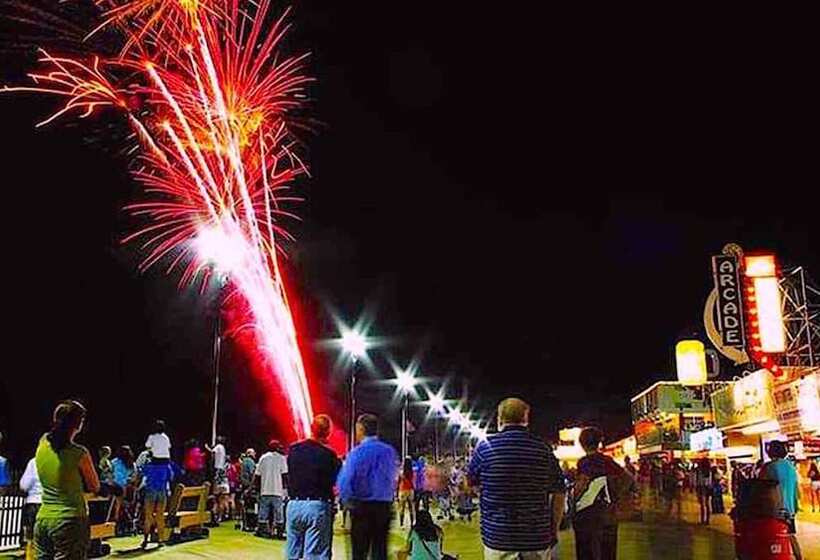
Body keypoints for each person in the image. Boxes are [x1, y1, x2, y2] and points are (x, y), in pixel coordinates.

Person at [468, 397, 566, 560]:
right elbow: (559, 492)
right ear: (526, 419)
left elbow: (471, 483)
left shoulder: (484, 448)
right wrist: (554, 529)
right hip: (536, 538)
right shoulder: (543, 449)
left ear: (499, 419)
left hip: (498, 538)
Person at [33, 400, 101, 559]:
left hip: (43, 519)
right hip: (70, 520)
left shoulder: (43, 442)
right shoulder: (79, 453)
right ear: (79, 424)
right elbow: (95, 486)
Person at [337, 413, 399, 560]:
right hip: (383, 507)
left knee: (359, 553)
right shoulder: (389, 451)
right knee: (380, 552)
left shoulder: (357, 452)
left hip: (362, 508)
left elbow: (345, 480)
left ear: (361, 429)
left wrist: (346, 501)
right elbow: (394, 477)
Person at [286, 414, 341, 560]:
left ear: (311, 428)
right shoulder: (329, 454)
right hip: (318, 505)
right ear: (328, 432)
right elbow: (335, 481)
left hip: (294, 505)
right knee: (316, 554)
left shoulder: (293, 450)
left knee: (292, 553)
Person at [572, 426, 632, 560]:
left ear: (582, 443)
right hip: (608, 514)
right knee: (608, 551)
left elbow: (582, 485)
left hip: (587, 515)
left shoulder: (584, 462)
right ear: (599, 442)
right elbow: (628, 479)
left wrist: (572, 501)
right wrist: (616, 495)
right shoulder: (608, 461)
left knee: (587, 552)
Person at [760, 440, 802, 560]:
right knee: (790, 535)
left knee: (773, 537)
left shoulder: (769, 467)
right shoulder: (791, 467)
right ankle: (799, 557)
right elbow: (796, 490)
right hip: (789, 509)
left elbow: (761, 487)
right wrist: (794, 507)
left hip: (774, 509)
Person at [255, 438, 289, 538]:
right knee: (279, 513)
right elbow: (285, 475)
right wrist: (286, 488)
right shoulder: (281, 458)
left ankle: (262, 531)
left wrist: (257, 488)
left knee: (263, 512)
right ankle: (279, 532)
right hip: (277, 490)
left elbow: (257, 475)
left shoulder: (263, 458)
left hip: (265, 490)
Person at [140, 459, 174, 549]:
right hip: (162, 491)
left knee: (148, 516)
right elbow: (171, 477)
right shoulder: (166, 466)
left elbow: (142, 475)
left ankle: (145, 540)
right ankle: (160, 540)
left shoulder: (149, 466)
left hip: (150, 490)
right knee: (160, 516)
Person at [20, 455, 43, 559]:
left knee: (31, 538)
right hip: (53, 503)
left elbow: (24, 485)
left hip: (34, 502)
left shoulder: (34, 462)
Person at [207, 436, 230, 522]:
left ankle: (216, 516)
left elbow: (212, 452)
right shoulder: (223, 449)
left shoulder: (218, 447)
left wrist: (207, 447)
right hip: (223, 477)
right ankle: (222, 516)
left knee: (216, 498)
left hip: (218, 472)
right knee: (222, 499)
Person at [398, 457, 416, 527]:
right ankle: (412, 523)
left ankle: (401, 524)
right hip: (410, 490)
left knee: (402, 507)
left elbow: (398, 481)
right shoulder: (412, 471)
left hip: (402, 490)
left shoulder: (401, 471)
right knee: (411, 507)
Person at [695, 459, 713, 525]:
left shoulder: (699, 471)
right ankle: (707, 520)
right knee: (707, 504)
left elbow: (698, 480)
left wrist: (696, 488)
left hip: (701, 487)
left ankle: (702, 520)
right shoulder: (709, 471)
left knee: (702, 505)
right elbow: (710, 480)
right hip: (708, 487)